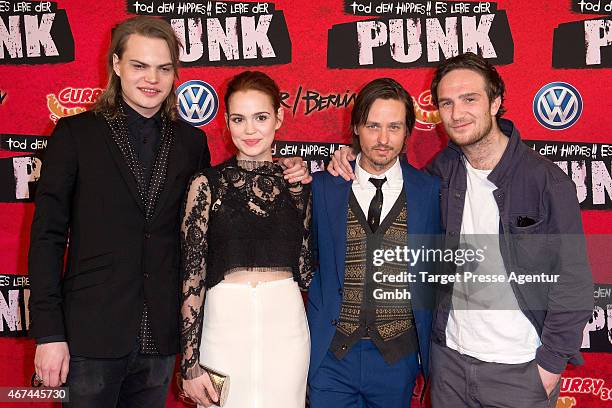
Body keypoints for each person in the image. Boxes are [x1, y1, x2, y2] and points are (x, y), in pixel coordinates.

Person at [28, 17, 308, 407]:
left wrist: (293, 169)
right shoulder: (76, 135)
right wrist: (49, 334)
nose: (152, 79)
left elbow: (206, 240)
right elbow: (46, 238)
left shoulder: (191, 143)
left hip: (159, 342)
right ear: (116, 65)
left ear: (175, 72)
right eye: (139, 65)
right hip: (88, 337)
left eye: (163, 68)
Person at [327, 52, 594, 408]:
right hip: (448, 364)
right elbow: (386, 169)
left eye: (470, 99)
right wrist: (350, 157)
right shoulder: (443, 171)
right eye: (446, 103)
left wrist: (550, 365)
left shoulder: (544, 181)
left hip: (520, 369)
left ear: (495, 102)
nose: (457, 113)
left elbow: (573, 281)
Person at [180, 71, 312, 408]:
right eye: (239, 119)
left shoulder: (298, 184)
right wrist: (189, 362)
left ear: (279, 117)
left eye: (261, 117)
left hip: (286, 327)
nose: (250, 129)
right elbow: (192, 275)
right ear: (226, 122)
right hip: (223, 325)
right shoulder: (206, 184)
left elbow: (306, 268)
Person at [307, 78, 440, 408]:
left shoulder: (429, 192)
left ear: (409, 130)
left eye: (394, 126)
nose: (383, 139)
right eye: (373, 126)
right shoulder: (323, 187)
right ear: (355, 127)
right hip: (331, 356)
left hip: (397, 358)